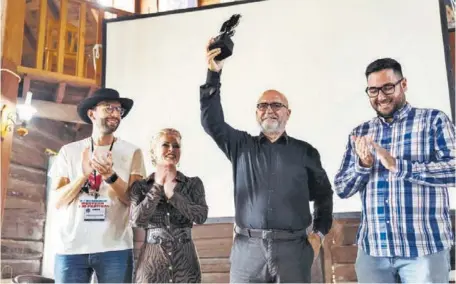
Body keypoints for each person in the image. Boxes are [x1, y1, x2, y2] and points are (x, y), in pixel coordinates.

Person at [200, 38, 334, 283]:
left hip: (294, 250)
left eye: (276, 105)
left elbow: (324, 195)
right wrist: (213, 74)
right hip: (247, 250)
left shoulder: (306, 152)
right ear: (256, 112)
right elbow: (212, 122)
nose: (269, 110)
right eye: (262, 105)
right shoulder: (240, 146)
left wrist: (318, 235)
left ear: (288, 113)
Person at [334, 58, 455, 283]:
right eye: (373, 90)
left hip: (424, 249)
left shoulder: (433, 121)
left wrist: (399, 166)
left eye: (388, 87)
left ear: (404, 84)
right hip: (373, 252)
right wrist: (363, 166)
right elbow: (341, 188)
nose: (380, 96)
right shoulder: (361, 132)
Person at [48, 88, 146, 283]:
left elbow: (133, 200)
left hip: (115, 248)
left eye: (119, 110)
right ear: (91, 113)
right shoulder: (69, 152)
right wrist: (82, 176)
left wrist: (109, 175)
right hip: (71, 248)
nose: (115, 113)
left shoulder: (133, 151)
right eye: (109, 108)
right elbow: (58, 201)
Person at [129, 128, 208, 283]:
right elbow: (136, 219)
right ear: (153, 151)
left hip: (185, 265)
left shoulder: (193, 184)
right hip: (151, 265)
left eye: (176, 145)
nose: (172, 149)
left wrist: (173, 196)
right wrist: (158, 186)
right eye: (166, 145)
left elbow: (200, 216)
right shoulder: (141, 186)